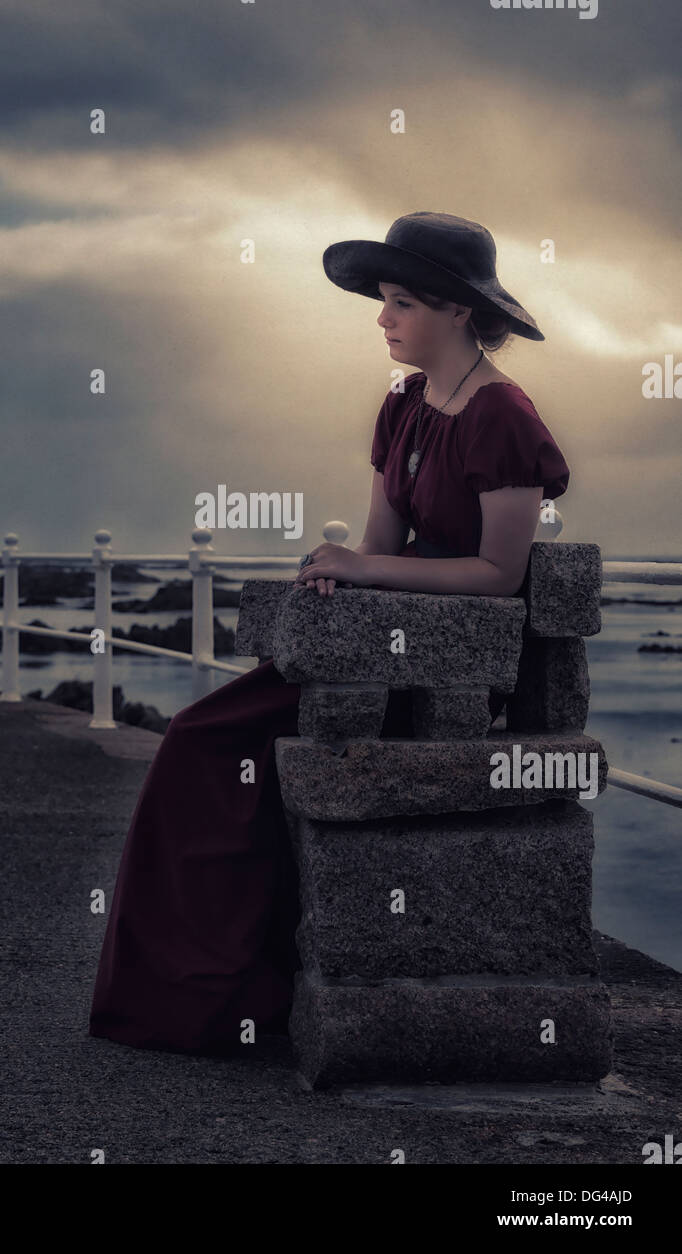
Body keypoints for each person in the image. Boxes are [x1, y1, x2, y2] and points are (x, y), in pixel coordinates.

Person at [88, 211, 570, 1056]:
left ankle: (222, 993)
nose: (383, 319)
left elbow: (498, 574)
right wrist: (339, 572)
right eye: (382, 300)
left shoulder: (505, 417)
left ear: (459, 311)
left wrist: (366, 570)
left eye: (402, 303)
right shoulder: (405, 405)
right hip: (379, 648)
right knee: (198, 741)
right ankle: (204, 995)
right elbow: (378, 548)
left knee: (211, 748)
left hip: (450, 664)